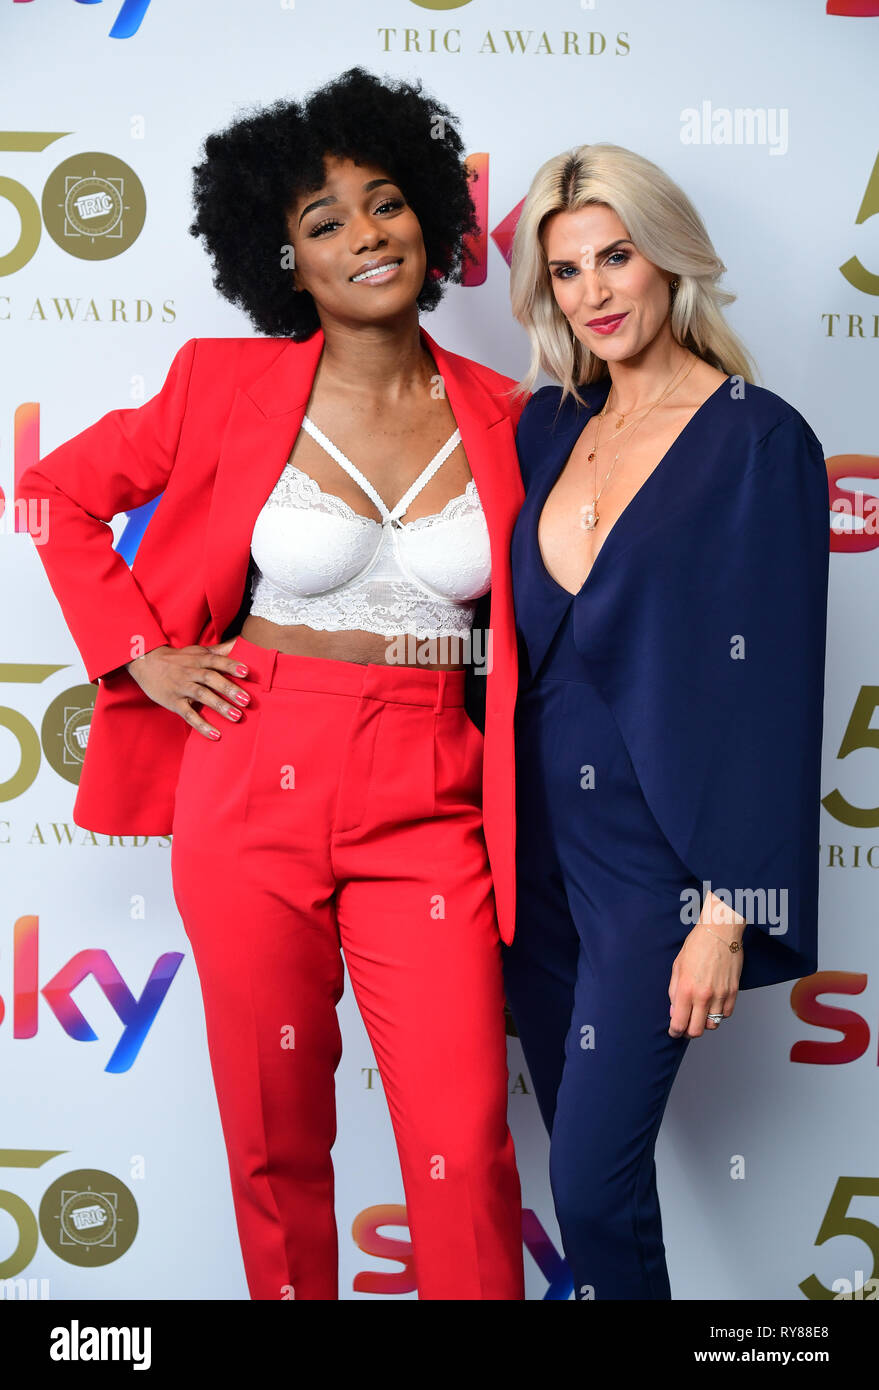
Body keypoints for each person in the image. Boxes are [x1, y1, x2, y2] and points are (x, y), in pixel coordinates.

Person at [20, 67, 527, 1301]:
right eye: (324, 221)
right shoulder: (220, 385)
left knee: (467, 1138)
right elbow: (53, 495)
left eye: (386, 202)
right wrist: (137, 649)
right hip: (254, 768)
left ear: (431, 222)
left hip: (433, 781)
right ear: (283, 261)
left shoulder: (514, 413)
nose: (367, 236)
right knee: (275, 1134)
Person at [502, 143, 829, 1299]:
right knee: (596, 1194)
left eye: (616, 257)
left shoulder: (758, 438)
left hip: (660, 869)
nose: (594, 292)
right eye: (567, 271)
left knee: (589, 1181)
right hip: (533, 862)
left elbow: (777, 691)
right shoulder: (547, 429)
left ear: (667, 260)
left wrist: (730, 910)